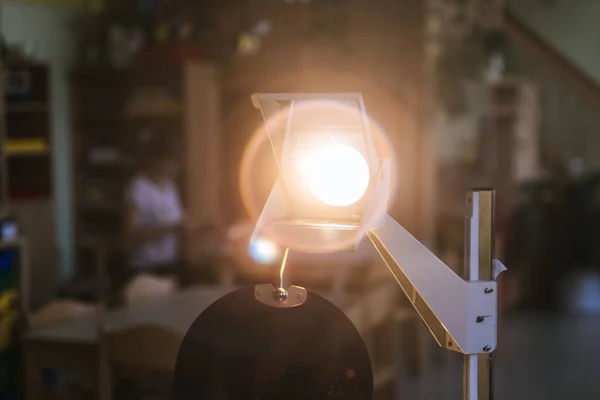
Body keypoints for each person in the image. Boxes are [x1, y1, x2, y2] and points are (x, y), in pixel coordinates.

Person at [122, 142, 191, 284]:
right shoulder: (139, 187)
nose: (176, 168)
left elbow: (182, 225)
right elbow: (131, 233)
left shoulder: (171, 188)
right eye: (172, 163)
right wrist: (170, 229)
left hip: (170, 265)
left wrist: (206, 228)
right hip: (146, 267)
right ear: (158, 161)